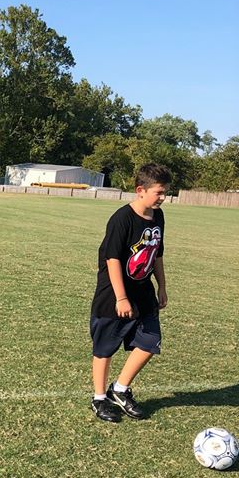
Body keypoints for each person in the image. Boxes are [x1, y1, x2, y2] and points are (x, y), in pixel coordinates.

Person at [89, 163, 171, 422]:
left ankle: (120, 389)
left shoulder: (158, 217)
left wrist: (162, 286)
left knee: (149, 343)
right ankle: (99, 399)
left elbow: (157, 254)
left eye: (165, 192)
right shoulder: (122, 218)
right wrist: (121, 298)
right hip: (114, 293)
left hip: (144, 291)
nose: (163, 197)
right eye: (158, 192)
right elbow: (112, 259)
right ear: (140, 190)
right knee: (104, 348)